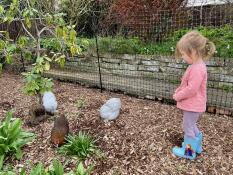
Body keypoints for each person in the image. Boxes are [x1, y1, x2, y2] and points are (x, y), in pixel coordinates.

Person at [172, 31, 216, 159]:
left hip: (193, 105)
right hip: (194, 105)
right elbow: (187, 84)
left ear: (193, 51)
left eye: (184, 54)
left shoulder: (197, 68)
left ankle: (189, 152)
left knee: (187, 127)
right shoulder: (197, 66)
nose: (183, 57)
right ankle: (197, 147)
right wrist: (179, 90)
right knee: (192, 125)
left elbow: (191, 89)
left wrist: (178, 96)